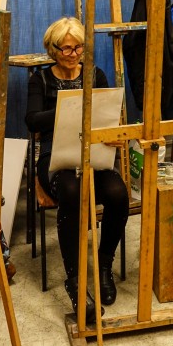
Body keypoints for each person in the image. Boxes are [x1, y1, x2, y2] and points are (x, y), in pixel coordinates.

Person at [25, 17, 129, 323]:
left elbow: (109, 114)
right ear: (53, 49)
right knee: (71, 191)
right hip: (54, 156)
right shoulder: (41, 80)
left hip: (92, 151)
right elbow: (31, 120)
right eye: (66, 48)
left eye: (79, 47)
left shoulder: (95, 74)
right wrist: (69, 106)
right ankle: (75, 281)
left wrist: (113, 134)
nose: (73, 54)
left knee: (118, 193)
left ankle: (104, 264)